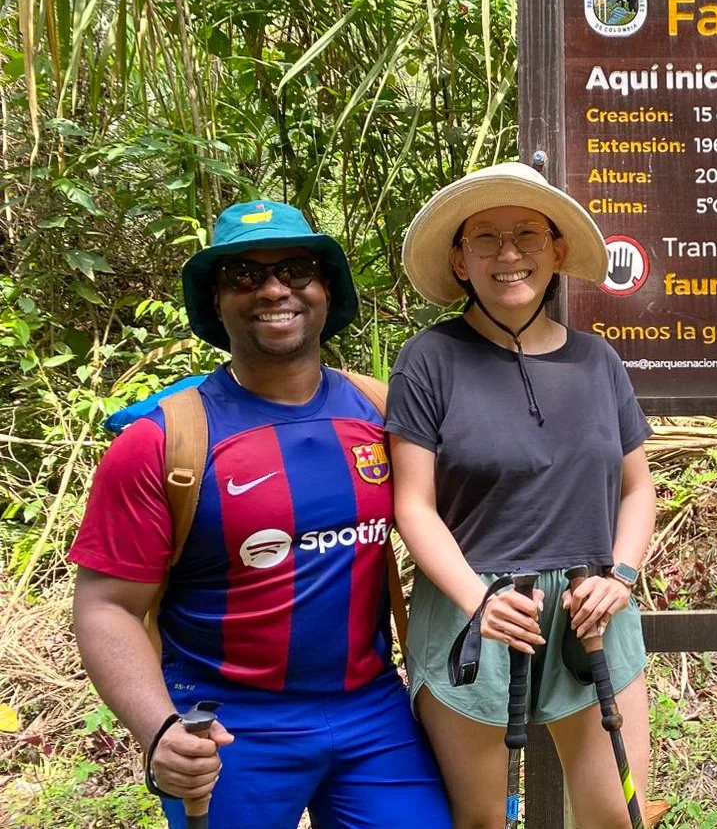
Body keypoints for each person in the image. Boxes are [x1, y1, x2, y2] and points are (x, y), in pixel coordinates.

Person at [70, 201, 452, 829]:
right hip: (223, 725)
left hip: (374, 712)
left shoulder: (385, 415)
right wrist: (160, 730)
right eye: (243, 275)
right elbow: (107, 606)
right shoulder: (164, 442)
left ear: (327, 289)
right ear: (215, 303)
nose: (274, 289)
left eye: (297, 269)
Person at [386, 162, 656, 829]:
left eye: (528, 235)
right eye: (486, 238)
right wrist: (477, 599)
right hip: (471, 609)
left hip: (592, 608)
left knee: (619, 817)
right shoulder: (430, 359)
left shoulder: (599, 361)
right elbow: (412, 503)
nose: (509, 254)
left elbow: (637, 486)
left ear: (557, 252)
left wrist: (621, 574)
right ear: (459, 260)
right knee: (479, 821)